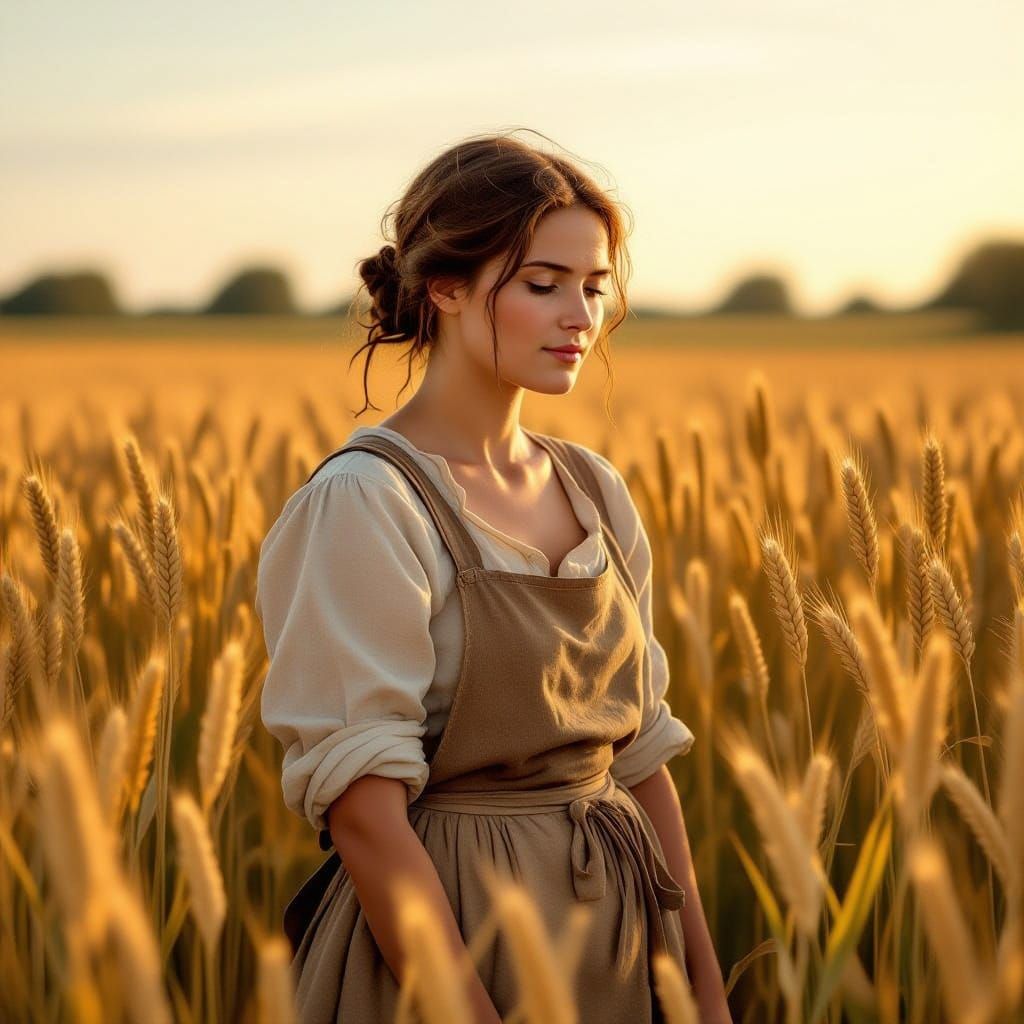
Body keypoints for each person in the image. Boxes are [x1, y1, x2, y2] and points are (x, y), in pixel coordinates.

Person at [256, 129, 731, 1023]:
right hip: (454, 943)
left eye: (593, 288)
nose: (581, 317)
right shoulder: (368, 500)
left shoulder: (596, 490)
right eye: (544, 285)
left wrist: (703, 988)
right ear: (445, 287)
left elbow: (641, 760)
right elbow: (363, 812)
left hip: (623, 941)